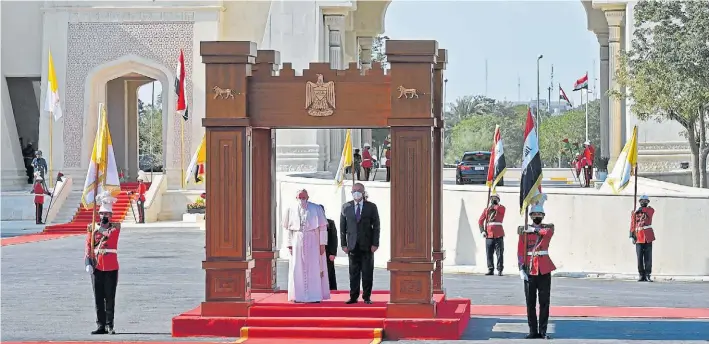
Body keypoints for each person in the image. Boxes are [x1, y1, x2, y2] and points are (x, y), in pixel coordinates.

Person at [517, 194, 555, 339]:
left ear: (543, 216)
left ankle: (543, 331)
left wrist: (534, 230)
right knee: (530, 302)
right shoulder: (523, 230)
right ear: (531, 215)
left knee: (544, 302)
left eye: (539, 214)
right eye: (534, 214)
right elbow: (520, 250)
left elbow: (547, 233)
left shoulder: (548, 228)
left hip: (544, 268)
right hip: (530, 269)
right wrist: (521, 267)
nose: (537, 216)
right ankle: (533, 330)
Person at [282, 189, 330, 303]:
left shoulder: (316, 208)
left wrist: (322, 243)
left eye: (304, 197)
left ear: (307, 197)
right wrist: (289, 244)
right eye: (300, 197)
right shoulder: (290, 209)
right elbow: (288, 229)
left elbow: (323, 228)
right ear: (296, 198)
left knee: (314, 267)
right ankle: (299, 296)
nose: (302, 199)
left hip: (313, 239)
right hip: (297, 240)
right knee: (297, 267)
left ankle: (314, 295)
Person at [84, 191, 121, 335]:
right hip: (97, 265)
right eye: (101, 214)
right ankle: (101, 325)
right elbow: (88, 245)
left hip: (111, 266)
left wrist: (98, 227)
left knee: (110, 297)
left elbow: (108, 235)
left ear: (111, 215)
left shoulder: (115, 227)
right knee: (98, 297)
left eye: (106, 214)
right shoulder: (91, 228)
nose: (103, 216)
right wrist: (88, 261)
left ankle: (109, 325)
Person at [340, 183, 380, 304]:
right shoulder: (346, 207)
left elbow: (376, 226)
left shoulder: (371, 207)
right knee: (353, 273)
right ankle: (353, 296)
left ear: (363, 192)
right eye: (354, 191)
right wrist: (344, 244)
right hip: (352, 245)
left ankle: (366, 296)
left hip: (367, 245)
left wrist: (375, 243)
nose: (356, 193)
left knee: (367, 272)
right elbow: (343, 227)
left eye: (358, 190)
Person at [478, 193, 506, 276]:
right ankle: (490, 269)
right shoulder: (486, 210)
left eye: (495, 198)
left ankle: (500, 269)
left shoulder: (501, 208)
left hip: (498, 234)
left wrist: (494, 204)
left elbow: (498, 209)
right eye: (492, 198)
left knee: (499, 253)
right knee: (489, 253)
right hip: (489, 234)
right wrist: (482, 231)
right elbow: (480, 221)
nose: (493, 200)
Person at [631, 194, 655, 282]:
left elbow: (649, 213)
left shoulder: (650, 210)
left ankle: (648, 274)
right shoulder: (635, 212)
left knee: (648, 257)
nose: (643, 202)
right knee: (639, 257)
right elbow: (632, 224)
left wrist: (640, 210)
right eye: (642, 201)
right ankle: (641, 274)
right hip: (639, 236)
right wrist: (631, 235)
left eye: (645, 201)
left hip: (648, 236)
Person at [320, 204, 339, 290]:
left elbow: (334, 238)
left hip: (328, 252)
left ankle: (331, 290)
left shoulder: (330, 223)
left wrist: (333, 253)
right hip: (316, 252)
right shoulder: (312, 224)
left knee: (329, 272)